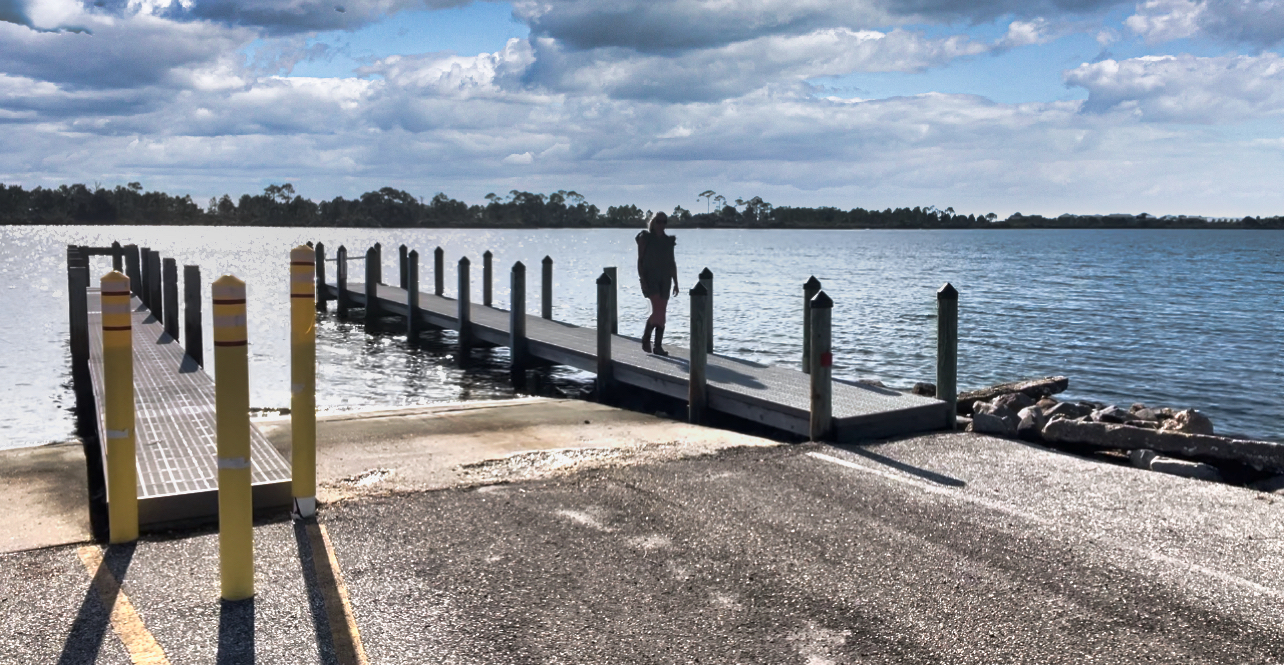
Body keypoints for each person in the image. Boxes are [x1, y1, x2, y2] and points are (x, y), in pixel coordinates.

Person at [635, 212, 679, 355]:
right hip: (650, 278)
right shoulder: (645, 238)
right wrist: (642, 279)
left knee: (662, 312)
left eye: (664, 222)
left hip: (665, 279)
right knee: (658, 310)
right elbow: (640, 260)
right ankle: (646, 338)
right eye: (659, 221)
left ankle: (657, 345)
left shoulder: (668, 240)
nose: (661, 225)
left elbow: (672, 262)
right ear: (653, 222)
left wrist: (676, 282)